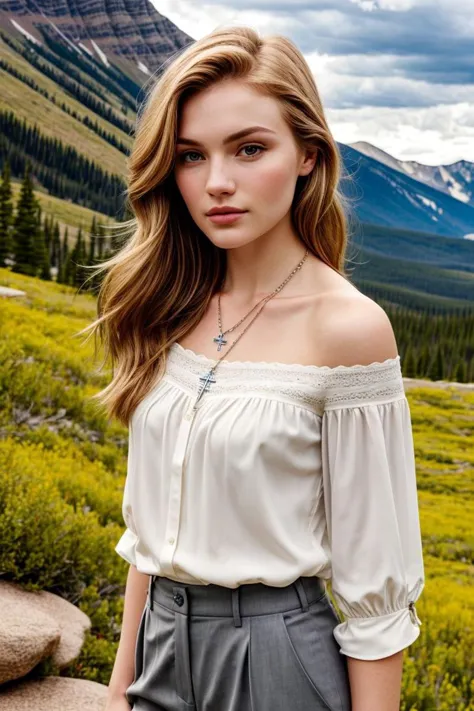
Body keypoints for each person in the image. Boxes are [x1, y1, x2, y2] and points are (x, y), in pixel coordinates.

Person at [91, 24, 425, 711]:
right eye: (190, 155)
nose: (217, 182)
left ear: (307, 154)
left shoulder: (349, 329)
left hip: (276, 661)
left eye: (249, 149)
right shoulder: (171, 301)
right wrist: (119, 688)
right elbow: (148, 539)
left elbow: (376, 596)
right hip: (160, 646)